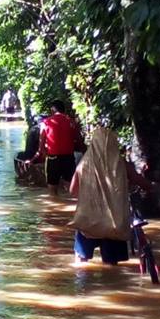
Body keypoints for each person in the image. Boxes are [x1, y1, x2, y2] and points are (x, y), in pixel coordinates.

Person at [68, 125, 130, 265]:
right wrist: (152, 186)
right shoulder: (121, 163)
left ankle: (82, 285)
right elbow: (139, 181)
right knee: (111, 264)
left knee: (81, 259)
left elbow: (73, 191)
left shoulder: (84, 164)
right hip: (114, 222)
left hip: (88, 220)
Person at [31, 100, 79, 196]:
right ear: (64, 110)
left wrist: (32, 160)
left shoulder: (46, 123)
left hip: (53, 159)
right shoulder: (72, 122)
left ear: (52, 109)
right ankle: (74, 209)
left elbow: (41, 149)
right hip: (69, 159)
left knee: (52, 191)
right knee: (72, 189)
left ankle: (55, 209)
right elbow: (79, 142)